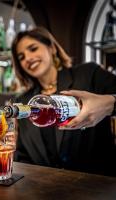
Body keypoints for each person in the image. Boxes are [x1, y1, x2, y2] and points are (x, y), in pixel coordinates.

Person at [11, 26, 116, 176]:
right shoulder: (24, 103)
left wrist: (109, 104)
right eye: (21, 57)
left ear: (52, 48)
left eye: (33, 49)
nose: (27, 58)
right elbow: (23, 156)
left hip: (97, 189)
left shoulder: (88, 75)